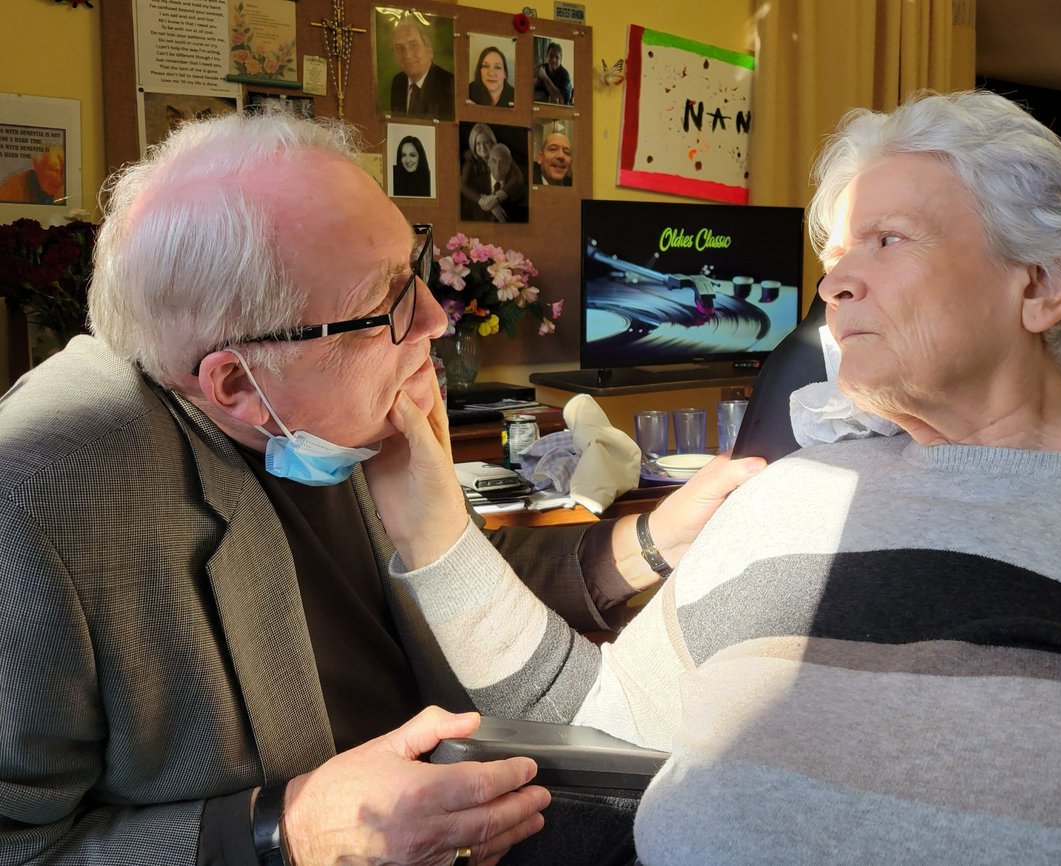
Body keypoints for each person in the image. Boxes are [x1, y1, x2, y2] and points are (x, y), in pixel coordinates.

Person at [376, 90, 1061, 862]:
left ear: (1043, 284)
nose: (832, 284)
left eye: (889, 239)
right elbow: (597, 733)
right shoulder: (789, 495)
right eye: (835, 254)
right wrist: (432, 527)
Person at [0, 110, 764, 865]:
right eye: (387, 301)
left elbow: (454, 582)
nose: (435, 319)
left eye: (416, 271)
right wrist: (287, 832)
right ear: (234, 380)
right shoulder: (37, 503)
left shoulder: (323, 418)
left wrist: (652, 541)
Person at [389, 19, 454, 119]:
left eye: (414, 45)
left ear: (429, 50)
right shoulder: (398, 82)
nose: (407, 55)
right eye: (399, 48)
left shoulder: (450, 84)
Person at [459, 123, 506, 222]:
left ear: (492, 143)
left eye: (486, 142)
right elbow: (462, 185)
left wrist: (495, 200)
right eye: (478, 144)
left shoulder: (500, 157)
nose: (482, 147)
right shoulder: (471, 161)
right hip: (478, 207)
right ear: (473, 145)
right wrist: (484, 202)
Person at [0, 144, 64, 205]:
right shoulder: (14, 188)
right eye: (52, 169)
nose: (59, 180)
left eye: (63, 172)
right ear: (36, 164)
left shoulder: (64, 191)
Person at [532, 42, 572, 106]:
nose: (553, 60)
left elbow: (562, 100)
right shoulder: (542, 67)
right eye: (551, 56)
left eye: (557, 57)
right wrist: (536, 80)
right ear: (547, 56)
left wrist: (544, 77)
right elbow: (526, 91)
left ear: (561, 59)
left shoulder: (565, 75)